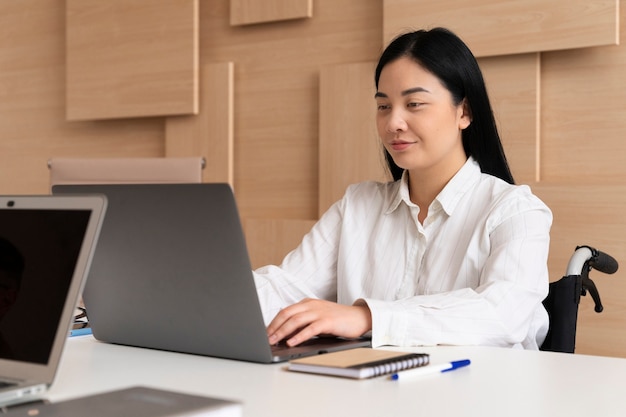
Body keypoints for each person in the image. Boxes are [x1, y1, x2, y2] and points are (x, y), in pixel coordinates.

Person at [254, 27, 552, 350]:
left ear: (463, 112)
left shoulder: (516, 211)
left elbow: (502, 314)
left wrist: (369, 318)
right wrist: (209, 295)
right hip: (372, 393)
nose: (393, 122)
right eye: (383, 106)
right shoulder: (357, 206)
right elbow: (286, 288)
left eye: (414, 104)